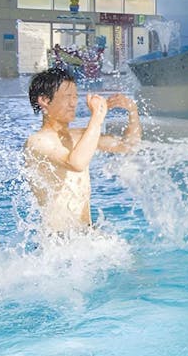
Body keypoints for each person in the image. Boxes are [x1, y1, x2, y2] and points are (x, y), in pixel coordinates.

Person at [23, 66, 141, 232]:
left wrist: (133, 111)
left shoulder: (79, 136)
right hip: (58, 242)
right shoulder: (38, 142)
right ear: (44, 100)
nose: (74, 103)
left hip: (86, 234)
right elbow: (76, 163)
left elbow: (129, 147)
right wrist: (97, 117)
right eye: (67, 97)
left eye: (75, 96)